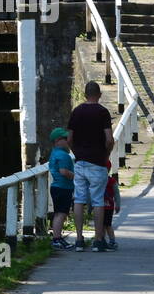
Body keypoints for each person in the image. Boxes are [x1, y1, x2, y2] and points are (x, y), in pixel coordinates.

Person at [68, 80, 114, 251]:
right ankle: (98, 240)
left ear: (85, 94)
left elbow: (70, 139)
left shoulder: (76, 112)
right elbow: (109, 139)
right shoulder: (103, 112)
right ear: (99, 95)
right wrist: (106, 154)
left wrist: (77, 153)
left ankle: (79, 240)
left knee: (79, 199)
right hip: (98, 161)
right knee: (98, 200)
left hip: (80, 162)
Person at [47, 127, 75, 249]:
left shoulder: (54, 153)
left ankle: (57, 238)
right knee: (61, 214)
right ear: (58, 140)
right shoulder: (64, 155)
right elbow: (63, 171)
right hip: (63, 187)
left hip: (57, 187)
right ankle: (57, 239)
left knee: (59, 213)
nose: (68, 140)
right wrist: (77, 177)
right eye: (65, 138)